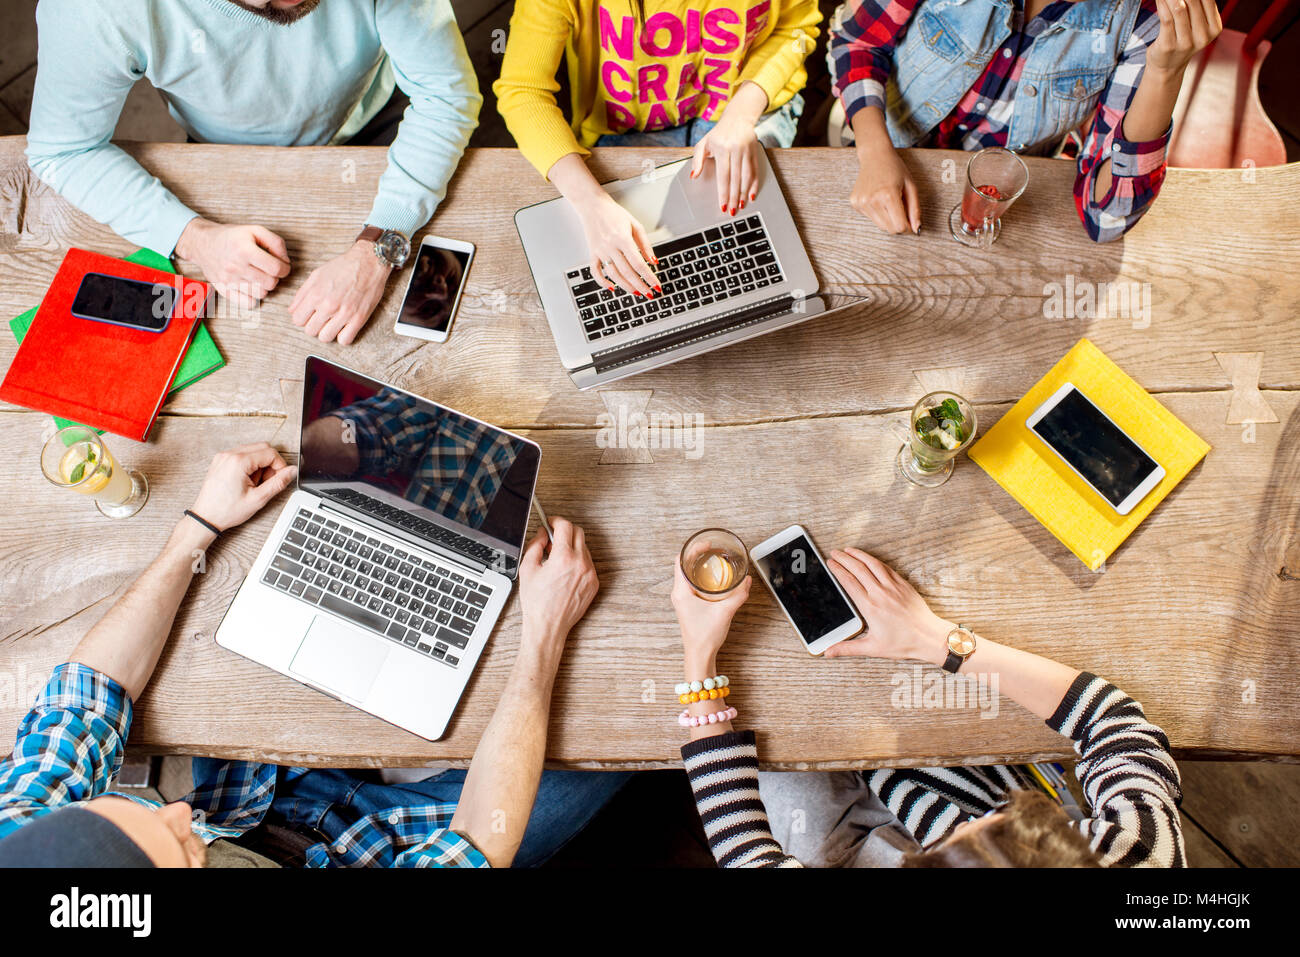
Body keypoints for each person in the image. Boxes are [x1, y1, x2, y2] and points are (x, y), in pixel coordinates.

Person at [0, 443, 626, 867]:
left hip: (251, 793)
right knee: (614, 741)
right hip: (392, 841)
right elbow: (472, 847)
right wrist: (544, 632)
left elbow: (88, 696)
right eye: (183, 853)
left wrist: (199, 526)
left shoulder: (24, 838)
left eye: (133, 807)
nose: (181, 818)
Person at [670, 547, 1184, 867]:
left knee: (779, 750)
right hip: (1006, 801)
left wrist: (699, 651)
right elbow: (1114, 725)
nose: (960, 823)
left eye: (960, 835)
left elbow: (743, 847)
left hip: (846, 852)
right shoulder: (1137, 861)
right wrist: (933, 638)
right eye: (990, 824)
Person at [24, 0, 482, 344]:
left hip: (380, 117)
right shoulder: (91, 8)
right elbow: (64, 149)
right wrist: (194, 236)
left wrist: (380, 246)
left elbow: (446, 96)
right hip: (225, 157)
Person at [494, 0, 822, 297]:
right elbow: (524, 91)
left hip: (749, 105)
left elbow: (796, 29)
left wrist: (741, 114)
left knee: (757, 259)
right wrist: (591, 204)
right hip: (628, 129)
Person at [826, 0, 1222, 242]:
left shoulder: (1142, 21)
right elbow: (859, 43)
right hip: (880, 153)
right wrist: (875, 151)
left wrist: (1165, 73)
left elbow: (1106, 217)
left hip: (1007, 204)